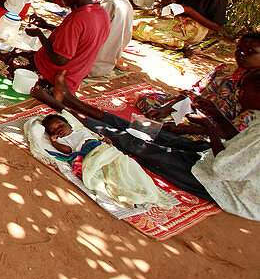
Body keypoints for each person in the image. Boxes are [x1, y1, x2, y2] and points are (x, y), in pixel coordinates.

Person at [50, 70, 260, 219]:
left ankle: (60, 106)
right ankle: (71, 101)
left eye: (243, 91)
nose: (238, 94)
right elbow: (235, 139)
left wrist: (209, 128)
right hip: (213, 152)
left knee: (136, 144)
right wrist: (215, 116)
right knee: (148, 129)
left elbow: (222, 169)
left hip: (221, 184)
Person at [38, 113, 173, 209]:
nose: (59, 129)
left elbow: (98, 139)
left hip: (106, 151)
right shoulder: (63, 140)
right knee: (111, 174)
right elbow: (68, 150)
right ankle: (130, 193)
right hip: (92, 154)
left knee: (127, 165)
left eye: (60, 125)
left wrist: (105, 141)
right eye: (54, 130)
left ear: (69, 124)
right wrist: (54, 142)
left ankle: (142, 188)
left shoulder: (82, 132)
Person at [138, 33, 260, 135]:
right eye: (239, 48)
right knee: (148, 100)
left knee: (185, 138)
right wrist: (166, 109)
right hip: (195, 113)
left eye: (250, 51)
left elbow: (236, 133)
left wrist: (191, 129)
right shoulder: (225, 69)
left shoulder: (256, 91)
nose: (241, 54)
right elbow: (195, 91)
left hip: (218, 130)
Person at [90, 0, 133, 77]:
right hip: (107, 65)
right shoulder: (126, 4)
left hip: (90, 66)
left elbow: (89, 34)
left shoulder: (109, 4)